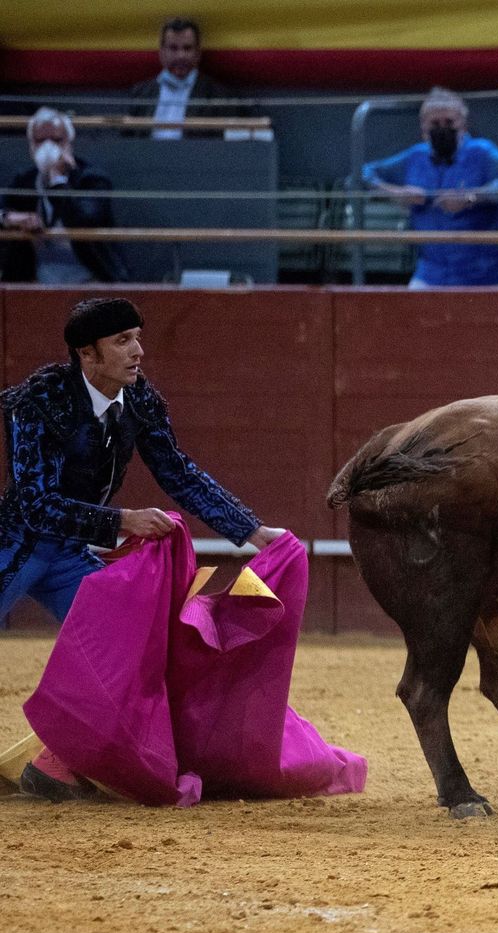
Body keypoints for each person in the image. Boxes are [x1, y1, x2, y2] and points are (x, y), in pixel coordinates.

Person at [1, 297, 285, 801]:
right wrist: (123, 520)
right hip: (14, 542)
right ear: (87, 355)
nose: (138, 351)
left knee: (128, 642)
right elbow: (36, 503)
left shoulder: (139, 398)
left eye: (137, 337)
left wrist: (250, 530)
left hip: (68, 552)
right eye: (122, 341)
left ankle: (56, 763)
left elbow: (175, 470)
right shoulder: (39, 401)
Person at [360, 88, 498, 287]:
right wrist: (395, 193)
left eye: (449, 122)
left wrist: (471, 198)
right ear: (423, 128)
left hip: (482, 273)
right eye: (435, 124)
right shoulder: (415, 156)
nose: (442, 128)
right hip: (430, 271)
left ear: (463, 124)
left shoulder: (483, 152)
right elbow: (361, 175)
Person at [1, 108, 128, 284]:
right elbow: (2, 209)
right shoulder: (25, 180)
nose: (48, 147)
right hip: (36, 281)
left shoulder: (92, 178)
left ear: (69, 142)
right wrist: (9, 217)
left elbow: (85, 219)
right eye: (40, 141)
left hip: (91, 278)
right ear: (31, 145)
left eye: (56, 140)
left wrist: (57, 180)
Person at [127, 17, 236, 139]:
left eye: (187, 48)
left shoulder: (218, 96)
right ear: (162, 52)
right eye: (173, 48)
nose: (180, 56)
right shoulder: (140, 94)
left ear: (198, 53)